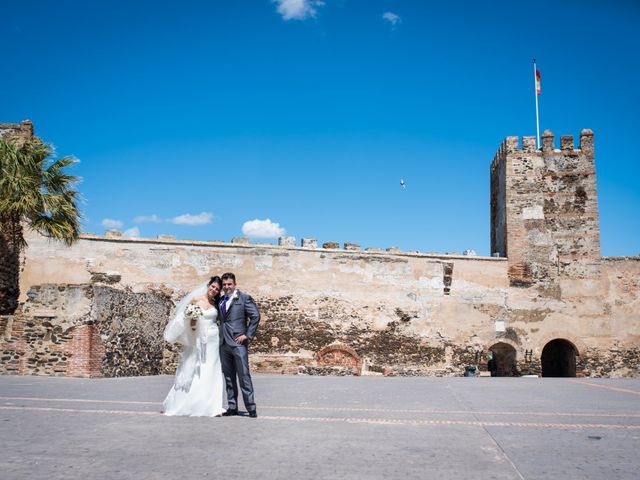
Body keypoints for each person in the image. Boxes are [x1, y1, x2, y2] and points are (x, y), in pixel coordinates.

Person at [162, 276, 225, 416]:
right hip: (198, 338)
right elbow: (184, 317)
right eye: (213, 287)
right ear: (208, 285)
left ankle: (211, 404)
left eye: (217, 289)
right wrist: (192, 322)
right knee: (196, 367)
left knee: (211, 368)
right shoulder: (195, 300)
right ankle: (191, 402)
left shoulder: (216, 304)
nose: (214, 290)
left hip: (213, 340)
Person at [219, 272, 261, 418]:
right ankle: (232, 406)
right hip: (223, 343)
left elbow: (255, 316)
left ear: (235, 284)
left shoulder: (244, 298)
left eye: (229, 284)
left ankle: (251, 407)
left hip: (238, 343)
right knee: (229, 377)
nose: (226, 287)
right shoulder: (221, 300)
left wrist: (247, 335)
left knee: (244, 376)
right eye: (224, 285)